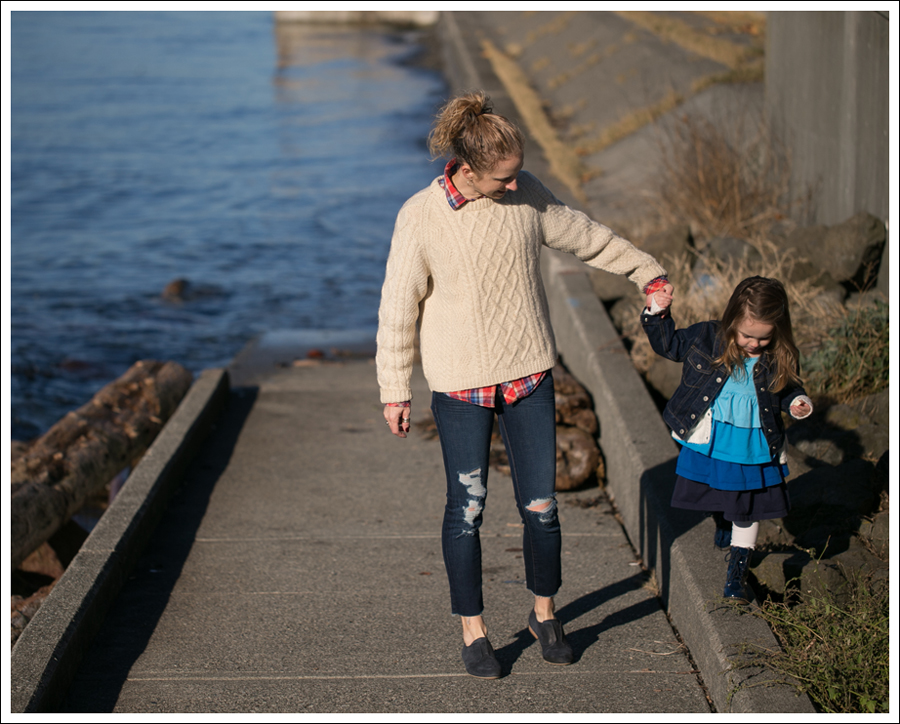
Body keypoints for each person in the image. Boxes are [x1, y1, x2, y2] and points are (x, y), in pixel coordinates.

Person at [376, 90, 672, 679]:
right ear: (467, 168)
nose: (514, 185)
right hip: (460, 388)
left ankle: (545, 614)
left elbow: (586, 235)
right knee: (467, 510)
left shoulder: (527, 193)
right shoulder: (420, 216)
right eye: (503, 178)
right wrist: (394, 388)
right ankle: (474, 630)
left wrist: (647, 270)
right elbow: (397, 307)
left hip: (529, 376)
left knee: (542, 507)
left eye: (517, 174)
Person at [640, 276, 813, 602]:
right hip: (713, 437)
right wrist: (656, 313)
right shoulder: (707, 337)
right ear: (732, 319)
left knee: (748, 506)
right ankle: (722, 518)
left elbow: (788, 387)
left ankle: (737, 570)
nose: (754, 344)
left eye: (764, 337)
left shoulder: (778, 354)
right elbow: (669, 345)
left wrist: (797, 402)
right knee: (716, 490)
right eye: (747, 335)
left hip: (753, 445)